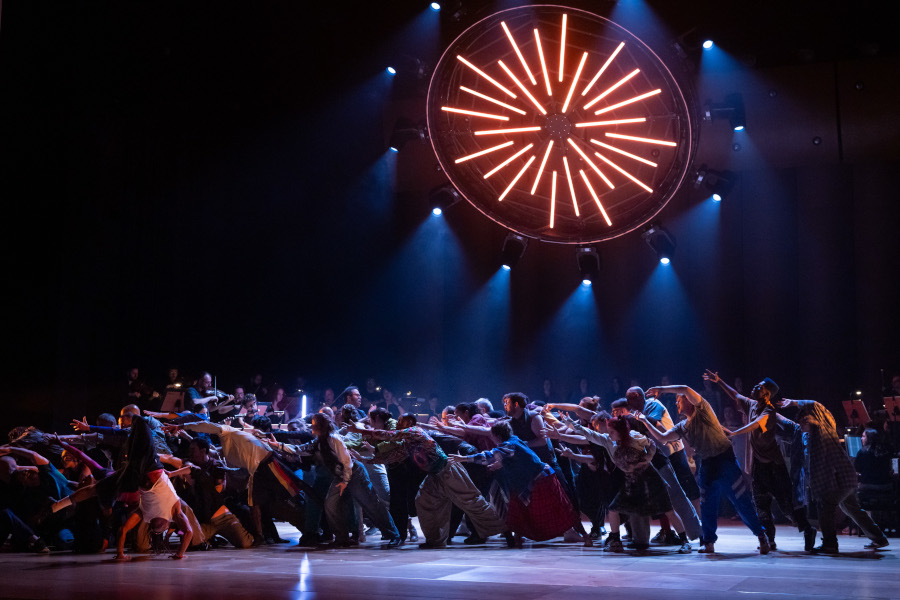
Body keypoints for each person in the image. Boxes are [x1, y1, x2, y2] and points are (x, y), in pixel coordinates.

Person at [637, 383, 770, 555]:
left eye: (678, 400)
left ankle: (761, 535)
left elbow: (685, 388)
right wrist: (645, 420)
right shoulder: (683, 425)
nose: (676, 403)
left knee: (740, 500)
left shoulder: (703, 410)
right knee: (707, 503)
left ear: (689, 401)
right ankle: (708, 542)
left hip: (724, 459)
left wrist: (661, 389)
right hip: (707, 463)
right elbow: (663, 438)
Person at [346, 414, 506, 549]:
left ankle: (505, 528)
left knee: (472, 502)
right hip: (435, 476)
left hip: (448, 470)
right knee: (423, 501)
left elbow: (389, 435)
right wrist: (365, 458)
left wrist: (359, 430)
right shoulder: (407, 443)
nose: (398, 424)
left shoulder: (416, 431)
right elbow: (390, 457)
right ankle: (435, 540)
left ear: (409, 423)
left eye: (402, 421)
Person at [705, 371, 817, 551]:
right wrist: (719, 381)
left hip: (775, 467)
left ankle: (807, 530)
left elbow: (756, 423)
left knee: (787, 507)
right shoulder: (751, 404)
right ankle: (770, 540)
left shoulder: (769, 411)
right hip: (760, 465)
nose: (754, 387)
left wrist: (734, 432)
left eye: (759, 386)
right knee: (760, 504)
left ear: (766, 394)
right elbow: (735, 394)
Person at [779, 398, 888, 553]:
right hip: (843, 479)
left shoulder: (825, 429)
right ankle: (879, 538)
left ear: (808, 419)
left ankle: (830, 544)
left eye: (802, 423)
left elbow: (817, 405)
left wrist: (793, 402)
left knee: (826, 506)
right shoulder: (810, 438)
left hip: (840, 479)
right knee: (852, 509)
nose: (801, 427)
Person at [449, 421, 578, 547]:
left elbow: (490, 455)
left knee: (560, 508)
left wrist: (464, 458)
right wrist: (500, 463)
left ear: (497, 436)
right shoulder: (514, 440)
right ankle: (517, 539)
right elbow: (510, 458)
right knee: (518, 510)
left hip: (540, 480)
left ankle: (583, 535)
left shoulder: (510, 445)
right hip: (531, 480)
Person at [282, 413, 402, 548]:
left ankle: (394, 535)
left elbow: (347, 463)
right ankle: (341, 538)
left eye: (315, 424)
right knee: (330, 504)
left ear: (321, 426)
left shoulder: (334, 439)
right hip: (341, 475)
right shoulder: (319, 441)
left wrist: (345, 482)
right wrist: (278, 445)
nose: (312, 427)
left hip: (354, 473)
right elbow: (300, 449)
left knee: (371, 504)